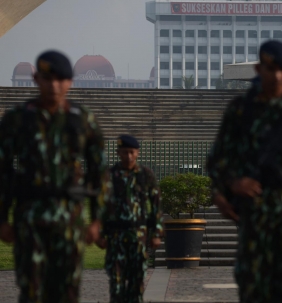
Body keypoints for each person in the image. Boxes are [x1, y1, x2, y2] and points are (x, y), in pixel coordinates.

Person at [207, 40, 282, 303]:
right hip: (255, 218)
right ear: (257, 68)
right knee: (253, 291)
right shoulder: (240, 111)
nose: (277, 76)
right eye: (270, 68)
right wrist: (232, 183)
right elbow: (218, 160)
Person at [0, 50, 108, 303]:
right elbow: (3, 170)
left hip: (69, 219)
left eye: (60, 79)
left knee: (68, 293)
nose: (54, 85)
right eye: (48, 78)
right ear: (36, 78)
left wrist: (97, 221)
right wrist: (2, 217)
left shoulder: (82, 120)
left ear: (70, 82)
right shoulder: (17, 119)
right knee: (31, 291)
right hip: (30, 218)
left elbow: (99, 173)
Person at [97, 135, 163, 303]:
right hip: (115, 236)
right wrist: (100, 233)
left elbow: (156, 205)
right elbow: (101, 207)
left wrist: (156, 233)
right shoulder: (110, 176)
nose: (129, 156)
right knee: (116, 284)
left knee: (136, 284)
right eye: (125, 152)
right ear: (118, 153)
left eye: (132, 152)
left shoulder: (145, 175)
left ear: (137, 153)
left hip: (138, 236)